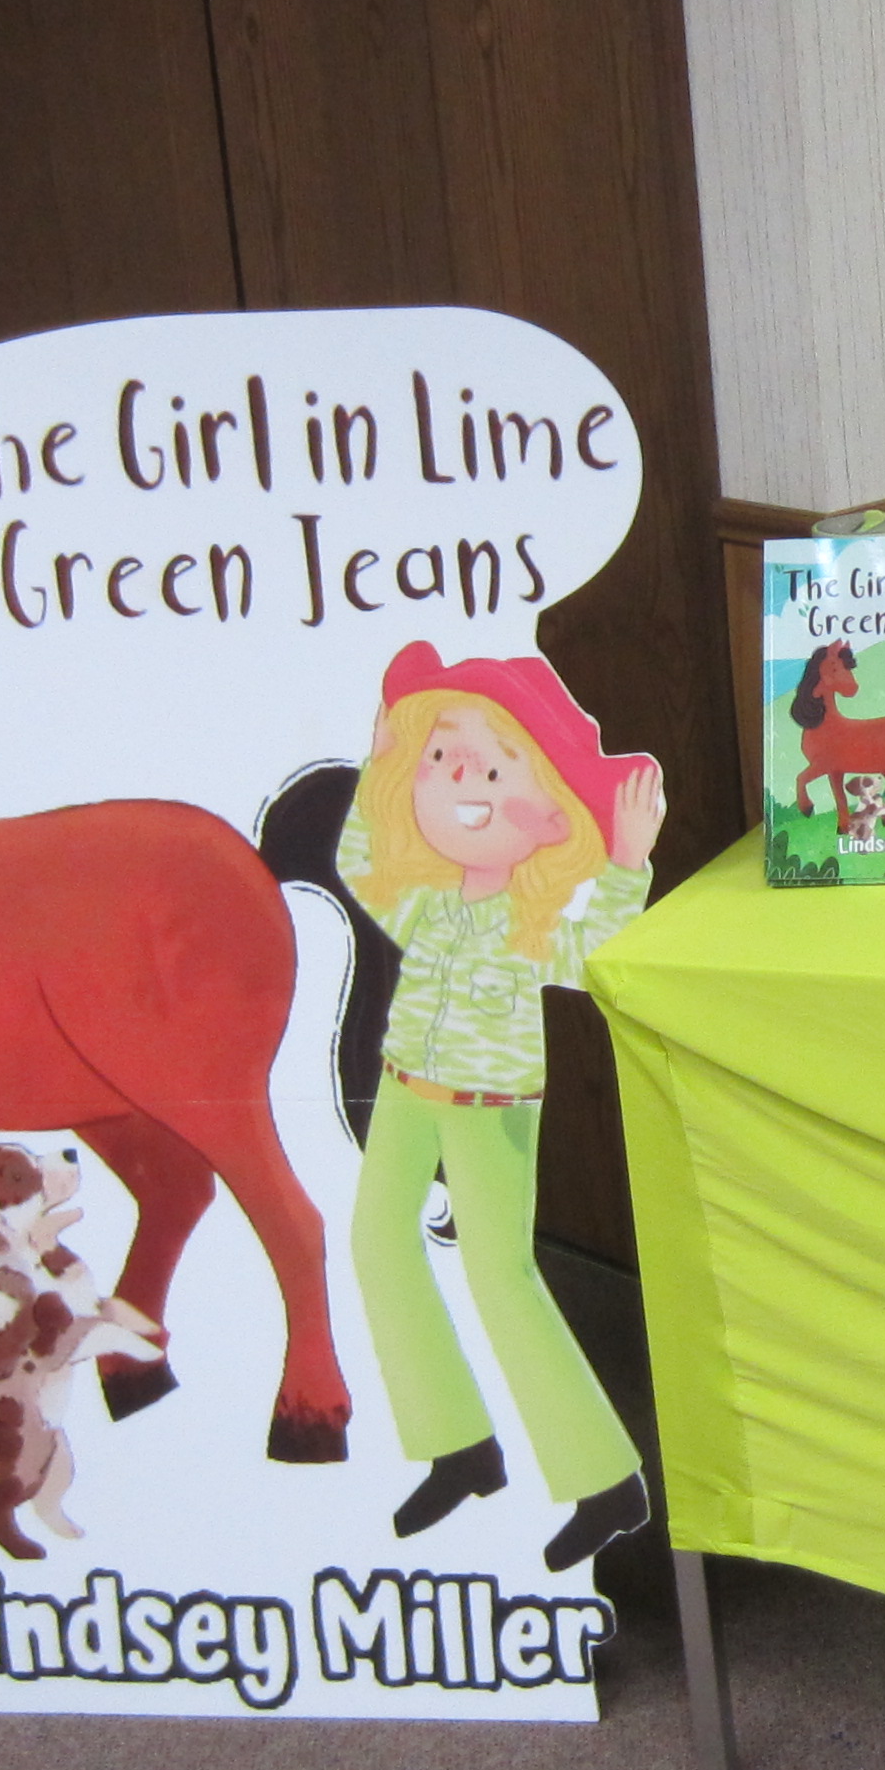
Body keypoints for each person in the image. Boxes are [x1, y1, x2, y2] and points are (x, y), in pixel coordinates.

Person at [340, 641, 663, 1573]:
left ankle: (605, 1480)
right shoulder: (427, 902)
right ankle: (459, 1446)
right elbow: (362, 863)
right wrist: (379, 755)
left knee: (499, 1273)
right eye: (441, 757)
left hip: (490, 1105)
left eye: (490, 768)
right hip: (406, 1083)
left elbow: (596, 955)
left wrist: (628, 863)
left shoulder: (532, 923)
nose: (460, 780)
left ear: (550, 809)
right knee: (375, 1242)